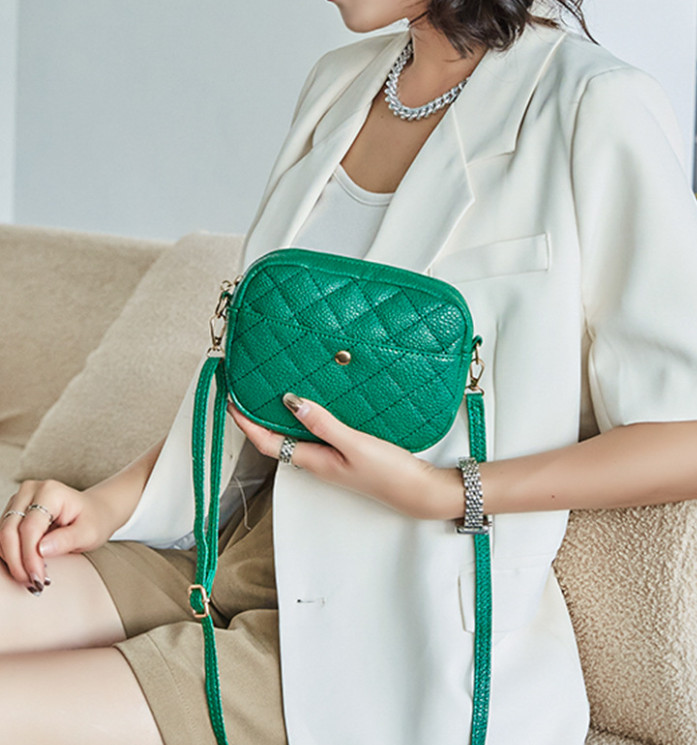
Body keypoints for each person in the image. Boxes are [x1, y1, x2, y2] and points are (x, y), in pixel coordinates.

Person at [2, 1, 697, 743]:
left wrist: (442, 491)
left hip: (388, 627)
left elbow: (682, 434)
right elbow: (266, 378)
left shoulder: (593, 103)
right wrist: (105, 504)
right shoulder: (339, 85)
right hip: (219, 554)